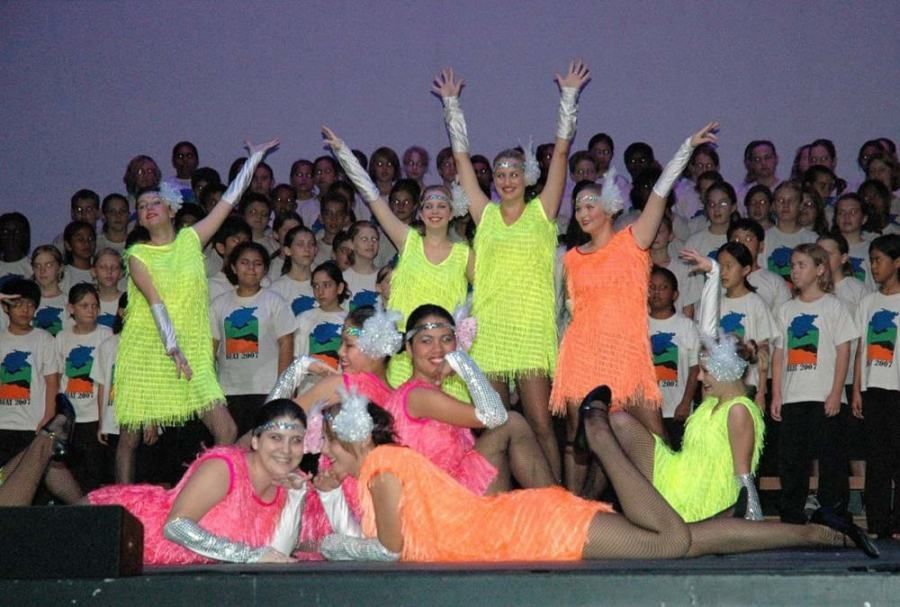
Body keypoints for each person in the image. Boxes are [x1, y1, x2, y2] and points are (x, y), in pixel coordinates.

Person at [315, 385, 877, 562]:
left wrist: (332, 545)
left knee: (670, 542)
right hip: (524, 525)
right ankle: (819, 531)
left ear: (351, 437)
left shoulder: (382, 466)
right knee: (688, 541)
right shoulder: (387, 465)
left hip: (531, 532)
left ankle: (602, 436)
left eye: (328, 447)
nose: (326, 457)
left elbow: (389, 550)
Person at [434, 61, 592, 481]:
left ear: (527, 177)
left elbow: (562, 152)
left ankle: (554, 499)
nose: (506, 180)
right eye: (501, 174)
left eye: (514, 173)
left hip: (531, 330)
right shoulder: (484, 215)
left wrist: (569, 98)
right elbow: (461, 159)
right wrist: (452, 106)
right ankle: (502, 498)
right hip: (491, 330)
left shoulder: (543, 212)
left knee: (540, 422)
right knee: (495, 422)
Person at [551, 121, 719, 494]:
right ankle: (576, 510)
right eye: (577, 207)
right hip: (583, 356)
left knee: (655, 434)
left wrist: (687, 147)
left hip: (627, 357)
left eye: (590, 204)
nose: (583, 212)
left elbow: (659, 192)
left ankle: (680, 502)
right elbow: (574, 310)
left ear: (610, 205)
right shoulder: (572, 258)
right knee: (580, 440)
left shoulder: (633, 241)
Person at [114, 139, 279, 455]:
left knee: (226, 429)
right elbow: (155, 302)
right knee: (131, 437)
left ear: (171, 209)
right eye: (142, 206)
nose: (148, 208)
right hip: (151, 347)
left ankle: (208, 482)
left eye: (155, 202)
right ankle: (123, 490)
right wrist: (172, 348)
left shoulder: (191, 240)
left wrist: (253, 160)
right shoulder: (137, 255)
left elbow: (227, 202)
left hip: (192, 347)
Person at [321, 126, 472, 399]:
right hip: (404, 354)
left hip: (444, 357)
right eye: (428, 206)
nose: (435, 211)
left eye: (441, 205)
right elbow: (372, 197)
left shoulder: (464, 254)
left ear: (453, 211)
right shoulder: (408, 241)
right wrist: (344, 152)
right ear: (420, 212)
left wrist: (465, 338)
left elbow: (484, 298)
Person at [88, 399, 308, 564]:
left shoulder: (290, 484)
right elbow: (175, 526)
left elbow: (279, 555)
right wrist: (247, 555)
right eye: (275, 438)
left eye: (296, 440)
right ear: (255, 441)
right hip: (111, 531)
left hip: (171, 576)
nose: (286, 450)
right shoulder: (225, 467)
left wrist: (297, 496)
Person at [383, 305, 554, 495]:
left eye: (446, 339)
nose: (437, 349)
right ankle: (558, 507)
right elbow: (495, 416)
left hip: (450, 490)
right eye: (426, 341)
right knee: (512, 423)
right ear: (409, 348)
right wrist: (463, 363)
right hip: (441, 500)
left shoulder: (424, 393)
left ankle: (554, 504)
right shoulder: (418, 395)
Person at [771, 244, 858, 523]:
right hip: (793, 396)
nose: (794, 271)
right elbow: (779, 354)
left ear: (820, 269)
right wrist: (777, 394)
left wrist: (836, 392)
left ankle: (832, 514)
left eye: (802, 265)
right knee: (792, 460)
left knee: (831, 460)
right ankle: (792, 515)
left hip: (824, 396)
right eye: (793, 265)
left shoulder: (834, 306)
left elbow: (843, 351)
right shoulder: (786, 309)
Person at [210, 242, 294, 437]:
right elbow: (210, 349)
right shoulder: (218, 304)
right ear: (233, 267)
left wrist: (282, 389)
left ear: (265, 270)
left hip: (266, 389)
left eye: (257, 264)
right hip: (228, 390)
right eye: (244, 263)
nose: (251, 268)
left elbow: (286, 344)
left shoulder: (275, 302)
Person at [852, 234, 900, 539]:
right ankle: (878, 523)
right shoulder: (868, 302)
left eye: (879, 260)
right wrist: (857, 389)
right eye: (871, 260)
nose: (873, 266)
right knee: (877, 459)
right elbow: (861, 348)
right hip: (874, 389)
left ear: (897, 263)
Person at [55, 282, 112, 491]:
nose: (91, 310)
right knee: (72, 474)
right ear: (71, 309)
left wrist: (105, 419)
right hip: (71, 417)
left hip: (95, 416)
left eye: (94, 306)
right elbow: (58, 376)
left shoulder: (106, 335)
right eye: (84, 305)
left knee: (95, 473)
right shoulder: (62, 337)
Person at [647, 266, 700, 450]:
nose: (657, 292)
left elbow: (695, 368)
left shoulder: (686, 326)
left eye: (663, 287)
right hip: (647, 412)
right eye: (652, 287)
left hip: (677, 411)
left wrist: (685, 402)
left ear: (675, 294)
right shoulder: (639, 324)